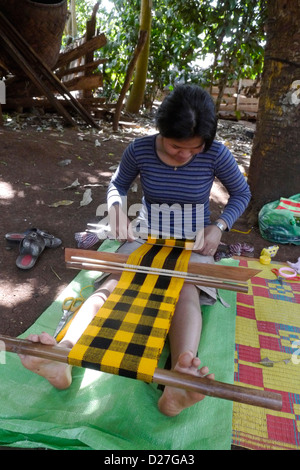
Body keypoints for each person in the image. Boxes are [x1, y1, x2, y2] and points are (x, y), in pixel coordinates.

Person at [19, 84, 251, 417]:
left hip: (195, 239)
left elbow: (241, 193)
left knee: (184, 289)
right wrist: (116, 207)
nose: (184, 155)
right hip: (148, 236)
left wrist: (220, 226)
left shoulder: (216, 153)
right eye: (175, 147)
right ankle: (64, 355)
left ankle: (176, 381)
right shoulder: (139, 150)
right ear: (161, 131)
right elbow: (118, 185)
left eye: (193, 149)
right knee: (115, 282)